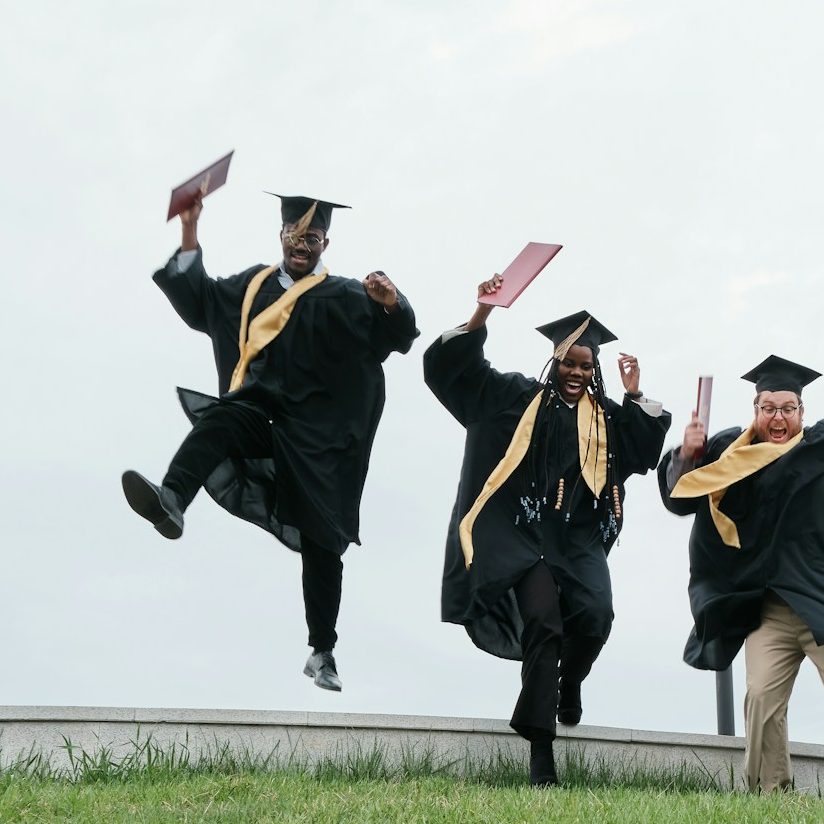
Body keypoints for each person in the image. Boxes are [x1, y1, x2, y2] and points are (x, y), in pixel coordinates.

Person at [122, 193, 418, 692]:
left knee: (323, 541)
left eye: (312, 237)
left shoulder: (346, 295)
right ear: (280, 235)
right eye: (294, 235)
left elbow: (398, 336)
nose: (302, 244)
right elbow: (200, 300)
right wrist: (190, 230)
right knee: (221, 418)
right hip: (261, 413)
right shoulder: (253, 285)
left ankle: (322, 649)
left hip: (318, 436)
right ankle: (172, 500)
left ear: (326, 242)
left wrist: (392, 304)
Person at [423, 274, 670, 785]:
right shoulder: (515, 397)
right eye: (569, 363)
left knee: (597, 617)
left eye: (586, 365)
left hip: (577, 541)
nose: (577, 372)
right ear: (554, 363)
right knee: (545, 626)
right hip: (526, 536)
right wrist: (481, 313)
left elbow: (645, 452)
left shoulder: (605, 419)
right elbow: (458, 373)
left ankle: (570, 685)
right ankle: (542, 753)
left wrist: (635, 393)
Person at [658, 355, 824, 792]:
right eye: (769, 407)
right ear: (755, 410)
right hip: (768, 608)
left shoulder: (818, 451)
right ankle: (771, 800)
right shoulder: (731, 452)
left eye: (788, 408)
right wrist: (685, 457)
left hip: (819, 598)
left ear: (802, 413)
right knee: (762, 699)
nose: (778, 417)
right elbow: (681, 498)